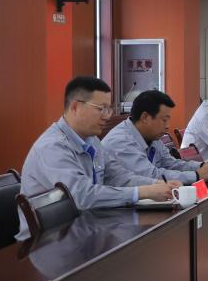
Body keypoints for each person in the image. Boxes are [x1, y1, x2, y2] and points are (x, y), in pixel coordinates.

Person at [18, 76, 176, 240]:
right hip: (48, 242)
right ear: (75, 107)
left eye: (109, 109)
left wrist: (157, 184)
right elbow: (82, 196)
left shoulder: (92, 140)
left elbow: (119, 177)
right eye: (101, 109)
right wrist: (141, 192)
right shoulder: (53, 147)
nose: (107, 116)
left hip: (85, 230)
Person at [103, 89, 208, 185]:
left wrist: (202, 166)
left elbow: (171, 163)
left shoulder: (151, 136)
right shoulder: (121, 141)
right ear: (145, 117)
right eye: (164, 120)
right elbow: (150, 176)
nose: (167, 126)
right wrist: (197, 175)